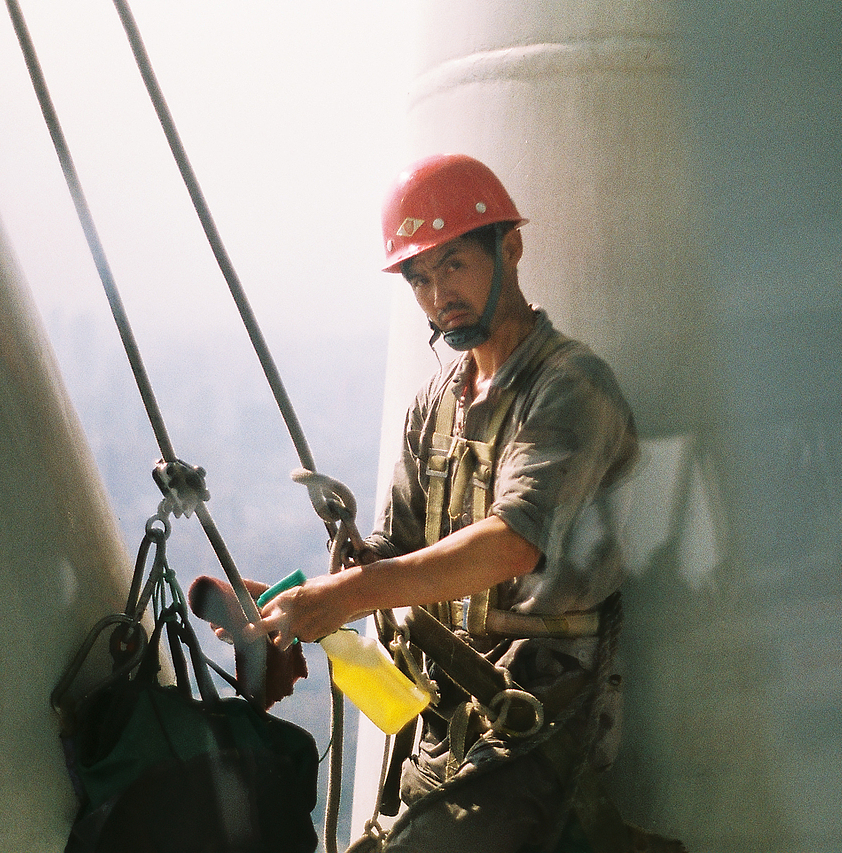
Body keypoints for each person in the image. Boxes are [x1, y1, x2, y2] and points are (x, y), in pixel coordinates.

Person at [247, 153, 640, 852]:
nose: (437, 296)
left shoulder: (570, 387)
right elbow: (394, 553)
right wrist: (313, 599)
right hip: (448, 709)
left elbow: (513, 540)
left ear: (509, 248)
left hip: (542, 711)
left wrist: (353, 591)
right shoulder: (436, 403)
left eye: (453, 265)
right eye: (421, 278)